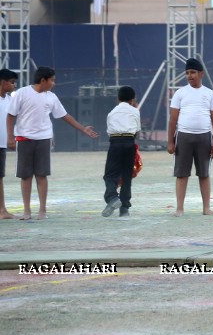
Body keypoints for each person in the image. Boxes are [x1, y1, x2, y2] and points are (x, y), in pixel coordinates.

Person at [7, 66, 98, 220]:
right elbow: (11, 115)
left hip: (43, 139)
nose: (54, 83)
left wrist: (83, 129)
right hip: (24, 139)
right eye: (52, 80)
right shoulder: (22, 93)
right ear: (43, 80)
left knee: (42, 175)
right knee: (25, 176)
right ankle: (27, 211)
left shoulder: (51, 97)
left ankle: (42, 211)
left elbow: (65, 116)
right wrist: (10, 137)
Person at [167, 57, 213, 216]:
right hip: (183, 137)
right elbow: (173, 119)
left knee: (204, 174)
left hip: (204, 138)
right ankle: (180, 208)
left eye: (193, 72)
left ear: (201, 74)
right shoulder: (180, 93)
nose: (190, 76)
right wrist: (170, 141)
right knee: (181, 174)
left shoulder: (210, 94)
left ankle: (206, 208)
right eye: (187, 73)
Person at [101, 86, 141, 219]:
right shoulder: (135, 111)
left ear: (117, 98)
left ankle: (112, 197)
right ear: (132, 99)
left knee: (110, 175)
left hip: (115, 143)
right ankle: (124, 208)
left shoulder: (112, 112)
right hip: (130, 142)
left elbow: (109, 131)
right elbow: (137, 131)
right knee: (127, 176)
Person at [0, 69, 19, 219]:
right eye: (12, 82)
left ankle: (2, 209)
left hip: (1, 145)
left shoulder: (9, 100)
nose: (14, 85)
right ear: (2, 82)